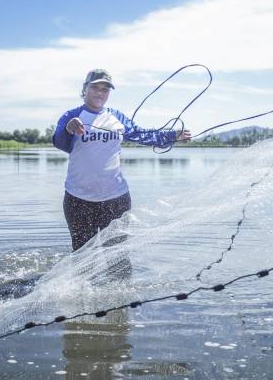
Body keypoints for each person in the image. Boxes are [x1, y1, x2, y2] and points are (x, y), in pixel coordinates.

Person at [52, 69, 191, 251]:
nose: (100, 93)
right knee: (82, 255)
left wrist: (172, 136)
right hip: (78, 199)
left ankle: (121, 282)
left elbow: (142, 135)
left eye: (105, 89)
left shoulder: (116, 117)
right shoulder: (71, 116)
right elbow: (59, 142)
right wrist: (69, 129)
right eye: (95, 87)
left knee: (118, 257)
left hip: (115, 199)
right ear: (85, 89)